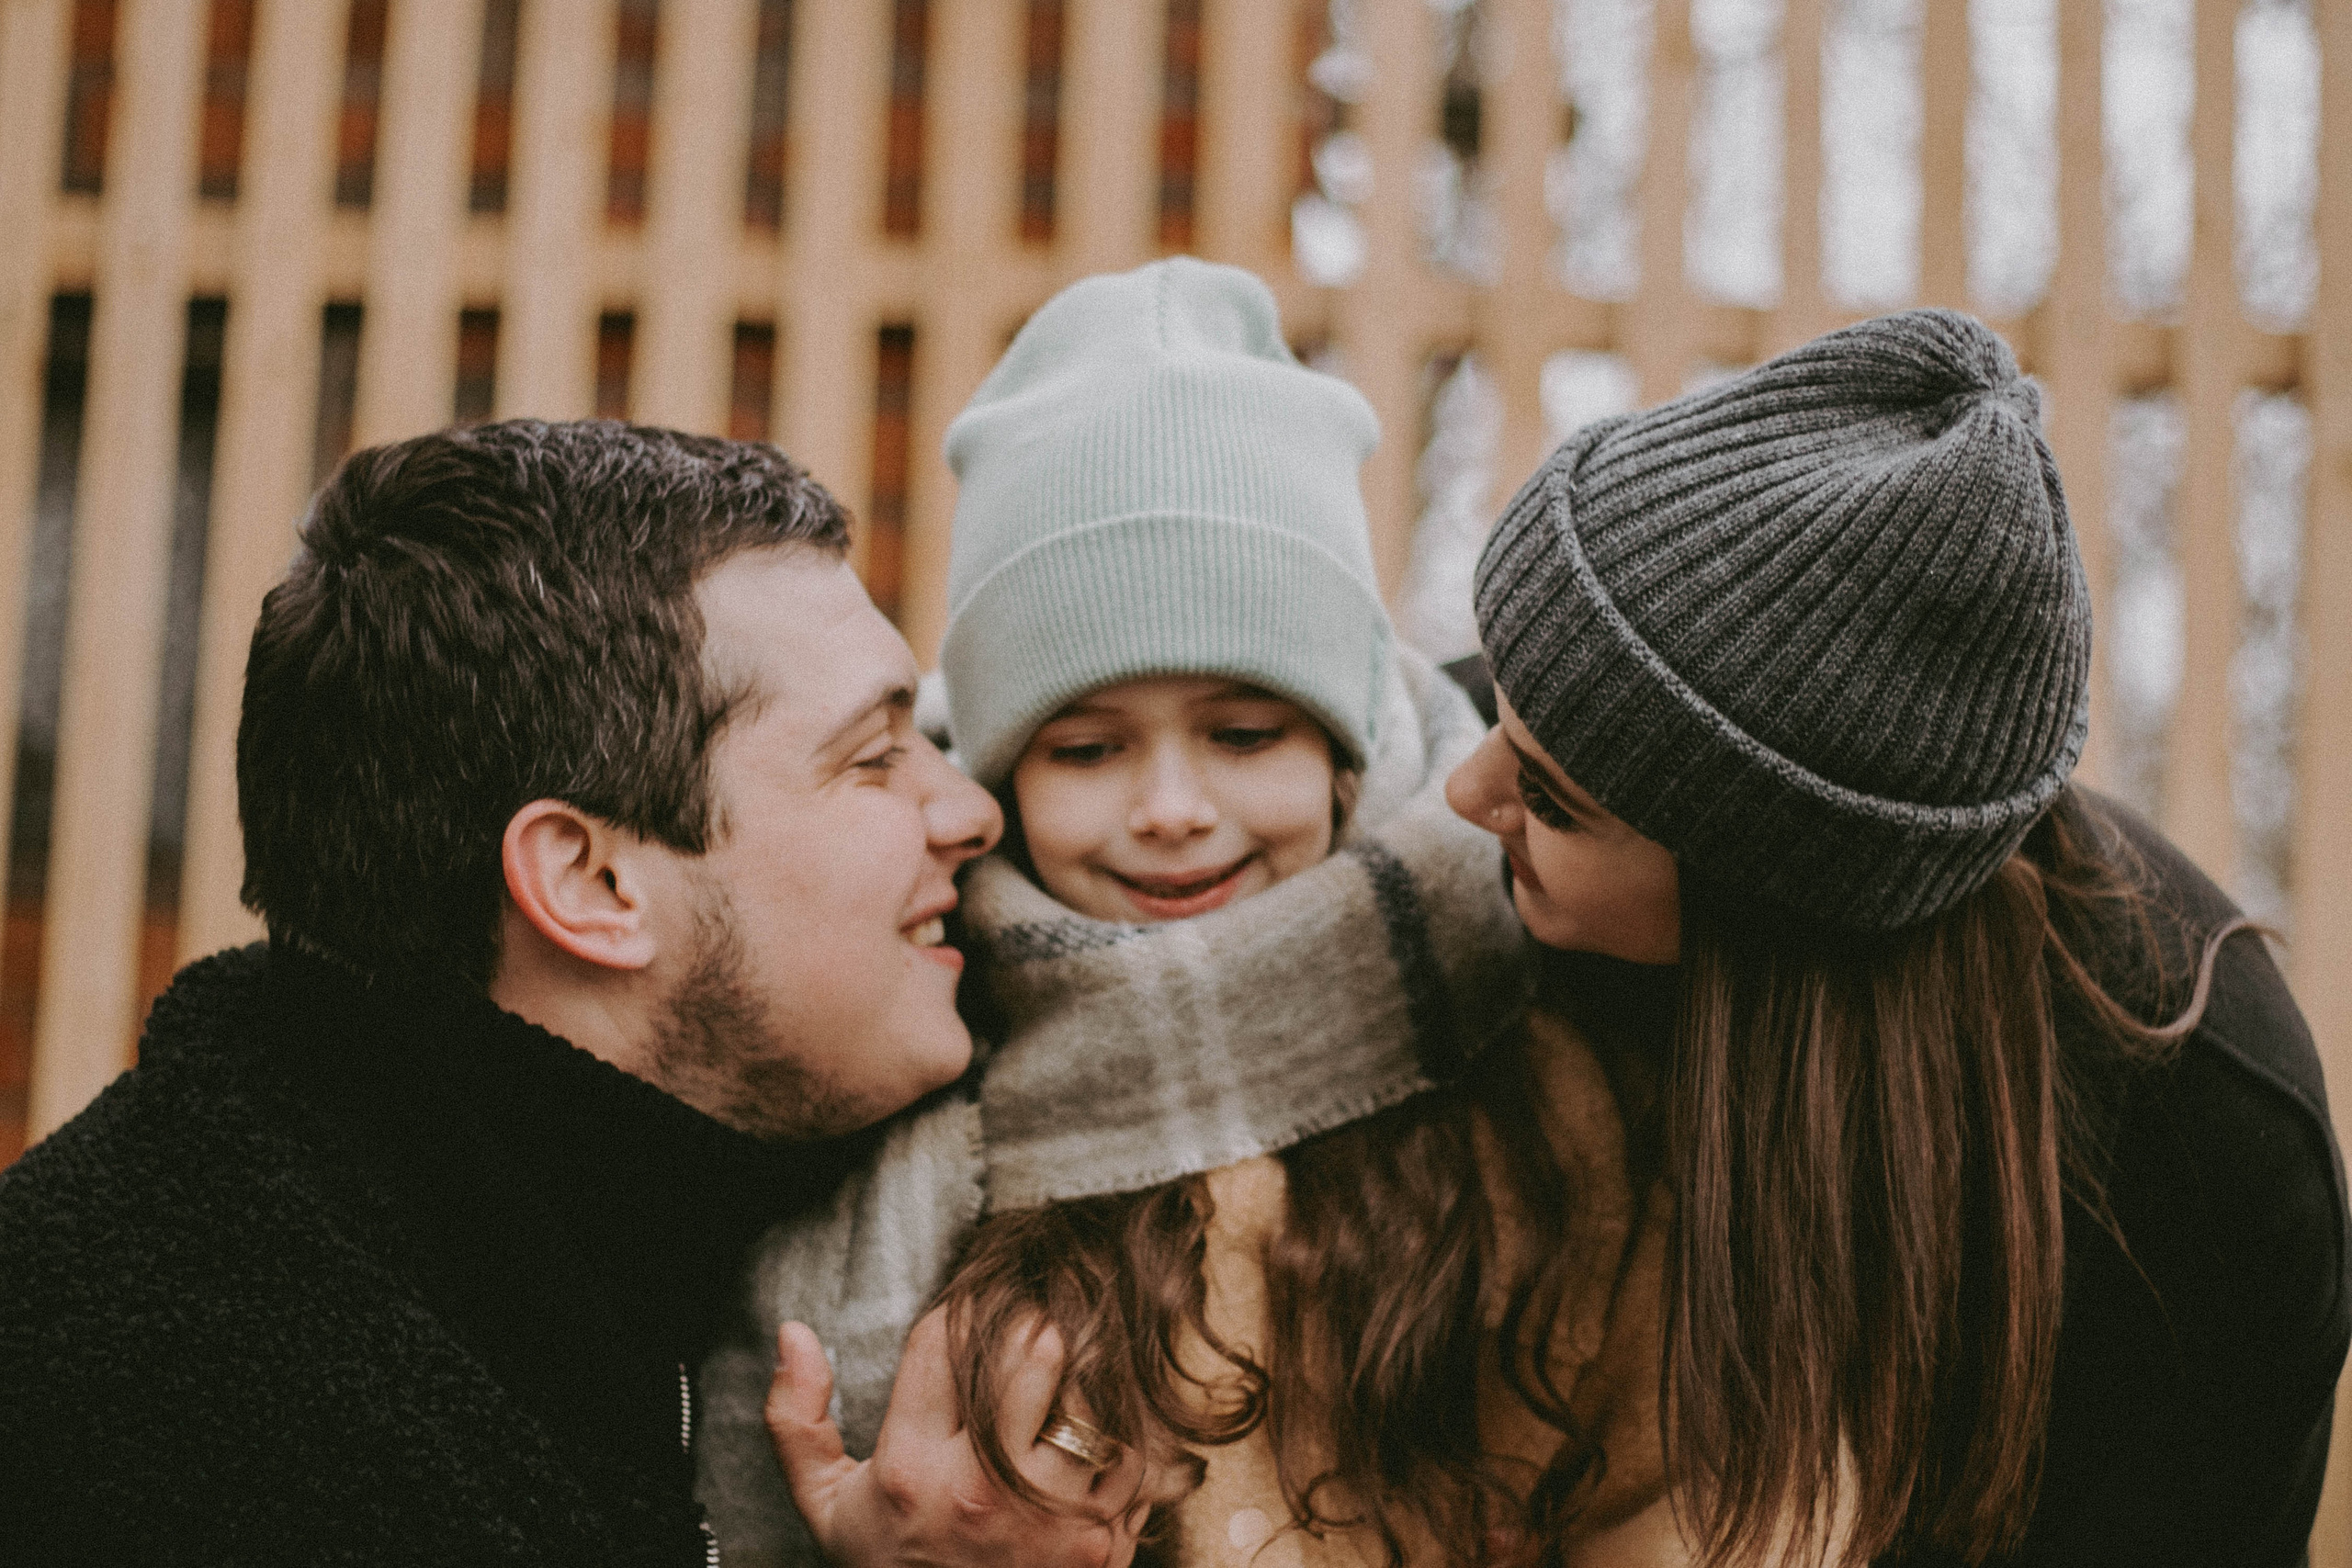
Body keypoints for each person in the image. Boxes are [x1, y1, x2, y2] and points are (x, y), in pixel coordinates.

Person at [0, 422, 1170, 1566]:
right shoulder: (184, 1414)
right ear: (593, 881)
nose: (971, 812)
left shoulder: (662, 1228)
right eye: (872, 759)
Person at [696, 259, 1685, 1568]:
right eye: (1089, 749)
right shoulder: (895, 1055)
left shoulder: (1529, 1061)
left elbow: (1652, 1495)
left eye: (1241, 731)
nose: (1171, 806)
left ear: (1342, 749)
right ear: (996, 775)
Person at [1445, 308, 2350, 1565]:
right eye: (1505, 699)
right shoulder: (1572, 756)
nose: (1462, 790)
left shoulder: (2203, 1149)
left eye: (1549, 799)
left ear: (1766, 904)